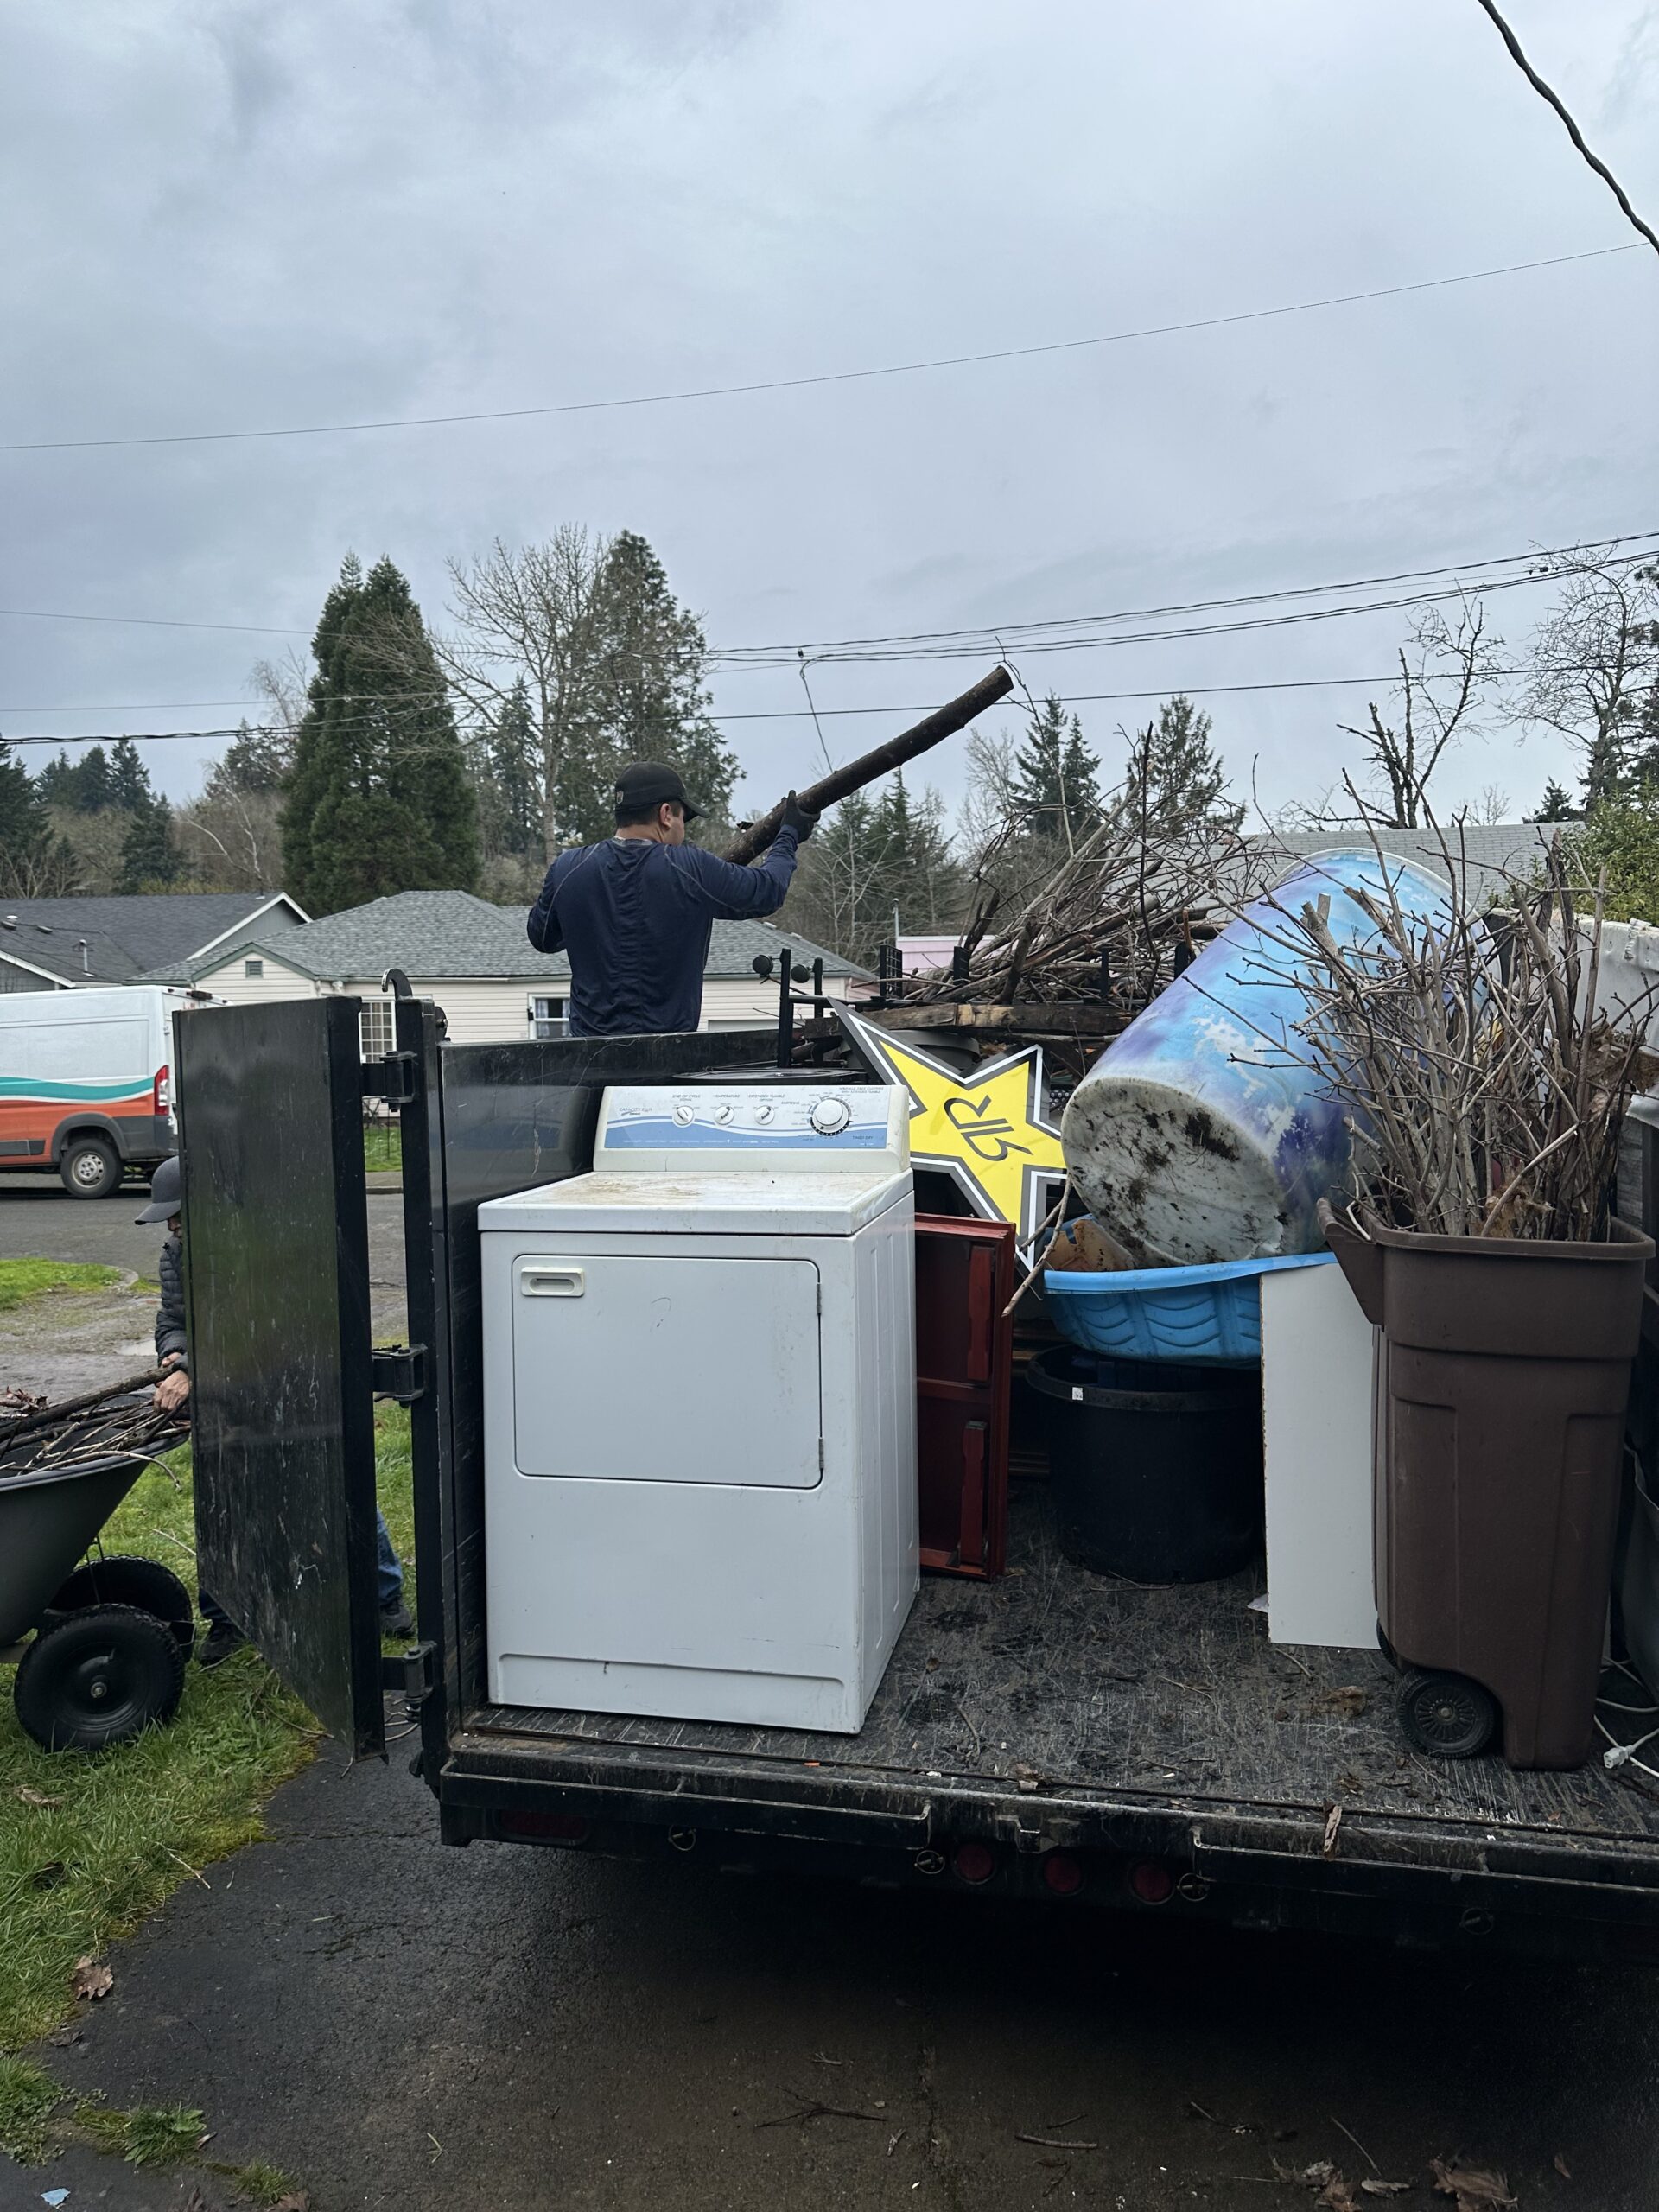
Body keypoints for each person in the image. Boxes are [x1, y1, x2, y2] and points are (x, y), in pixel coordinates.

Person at [138, 1155, 415, 1666]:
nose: (172, 1225)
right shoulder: (176, 1252)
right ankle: (227, 1617)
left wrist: (194, 1366)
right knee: (225, 1504)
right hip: (226, 1396)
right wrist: (173, 1353)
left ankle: (383, 1595)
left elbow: (257, 1319)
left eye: (178, 1214)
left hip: (294, 1385)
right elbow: (171, 1317)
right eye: (168, 1218)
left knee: (338, 1486)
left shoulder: (261, 1245)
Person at [526, 760, 817, 1036]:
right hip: (666, 1058)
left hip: (585, 1059)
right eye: (683, 817)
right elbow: (768, 891)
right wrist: (788, 835)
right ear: (666, 814)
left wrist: (594, 920)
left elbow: (543, 938)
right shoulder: (689, 867)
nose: (683, 828)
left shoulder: (568, 868)